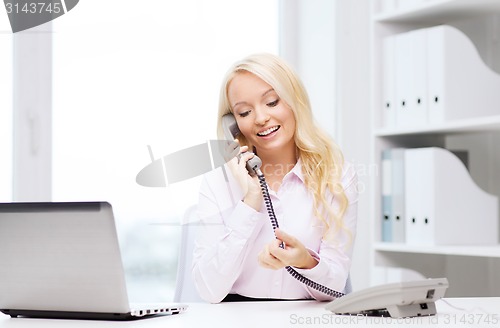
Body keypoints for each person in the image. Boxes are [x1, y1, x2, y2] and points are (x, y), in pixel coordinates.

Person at [192, 53, 358, 303]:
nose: (260, 119)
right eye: (245, 112)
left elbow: (334, 289)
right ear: (233, 123)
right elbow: (209, 291)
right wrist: (251, 202)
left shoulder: (336, 175)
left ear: (294, 101)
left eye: (271, 102)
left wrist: (305, 261)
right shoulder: (218, 182)